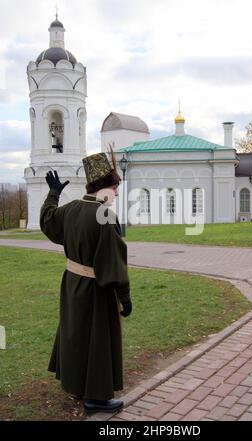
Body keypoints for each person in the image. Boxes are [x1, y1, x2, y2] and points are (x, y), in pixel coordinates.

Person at [40, 146, 132, 414]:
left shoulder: (69, 210)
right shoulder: (104, 217)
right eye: (115, 188)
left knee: (77, 335)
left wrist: (53, 193)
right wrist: (124, 297)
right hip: (96, 289)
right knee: (97, 339)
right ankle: (96, 398)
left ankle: (79, 386)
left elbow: (47, 220)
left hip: (71, 284)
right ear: (104, 187)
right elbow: (114, 263)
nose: (116, 194)